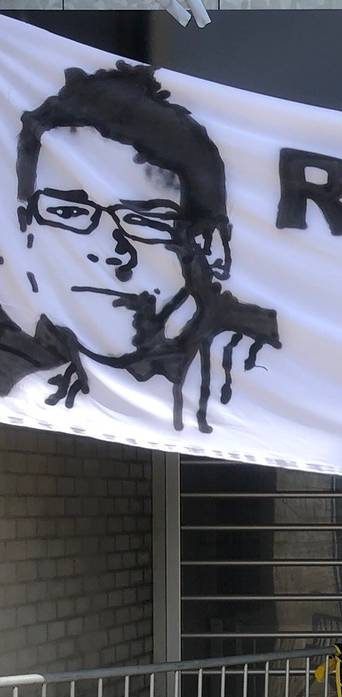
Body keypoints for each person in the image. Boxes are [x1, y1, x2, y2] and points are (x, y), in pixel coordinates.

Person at [1, 63, 279, 433]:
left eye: (142, 221)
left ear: (207, 245)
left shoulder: (256, 367)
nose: (108, 249)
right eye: (69, 213)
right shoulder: (15, 365)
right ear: (24, 231)